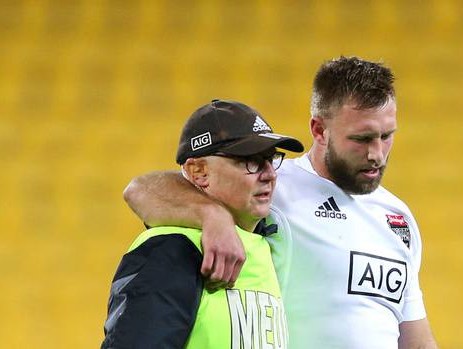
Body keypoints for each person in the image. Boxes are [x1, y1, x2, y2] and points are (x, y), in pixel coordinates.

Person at [124, 56, 438, 349]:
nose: (377, 154)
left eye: (387, 136)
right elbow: (141, 189)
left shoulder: (398, 219)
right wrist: (212, 216)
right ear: (319, 130)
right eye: (362, 139)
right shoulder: (271, 185)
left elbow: (414, 334)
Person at [101, 99, 304, 348]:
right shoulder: (172, 247)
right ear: (199, 172)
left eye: (271, 159)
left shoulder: (268, 242)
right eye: (250, 161)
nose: (270, 174)